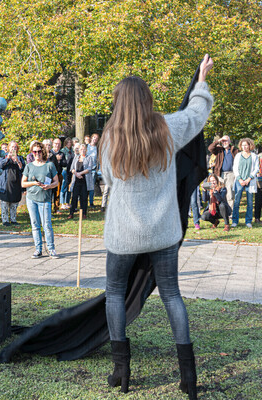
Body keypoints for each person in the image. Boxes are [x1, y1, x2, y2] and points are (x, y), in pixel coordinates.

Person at [100, 55, 213, 398]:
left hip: (123, 234)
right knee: (172, 296)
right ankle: (188, 377)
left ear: (119, 104)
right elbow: (196, 115)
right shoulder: (167, 128)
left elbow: (107, 180)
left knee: (115, 294)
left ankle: (121, 370)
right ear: (147, 100)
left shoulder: (109, 138)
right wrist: (201, 81)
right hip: (163, 232)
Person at [21, 141, 59, 259]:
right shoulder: (29, 166)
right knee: (35, 225)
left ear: (42, 152)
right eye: (34, 151)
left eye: (38, 151)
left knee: (47, 225)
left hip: (44, 199)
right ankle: (38, 249)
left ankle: (51, 248)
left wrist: (49, 186)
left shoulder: (49, 165)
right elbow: (23, 183)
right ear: (32, 153)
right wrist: (33, 183)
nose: (37, 153)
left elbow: (56, 182)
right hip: (31, 199)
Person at [0, 141, 25, 226]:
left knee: (14, 202)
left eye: (15, 147)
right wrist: (7, 158)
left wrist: (18, 161)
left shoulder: (20, 158)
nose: (13, 148)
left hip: (16, 184)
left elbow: (23, 169)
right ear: (9, 148)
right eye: (12, 147)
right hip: (5, 184)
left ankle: (13, 219)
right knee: (5, 202)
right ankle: (5, 220)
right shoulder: (3, 156)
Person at [231, 138, 258, 228]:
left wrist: (248, 179)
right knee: (237, 202)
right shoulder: (238, 155)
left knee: (250, 202)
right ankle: (235, 221)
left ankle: (248, 221)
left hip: (249, 181)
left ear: (250, 145)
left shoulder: (254, 156)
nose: (244, 147)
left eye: (246, 145)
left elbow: (256, 169)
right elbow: (235, 168)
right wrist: (240, 179)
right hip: (239, 181)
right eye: (242, 145)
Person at [208, 135, 238, 208]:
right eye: (223, 141)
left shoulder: (234, 150)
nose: (225, 142)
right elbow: (210, 148)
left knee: (230, 194)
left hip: (231, 174)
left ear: (230, 141)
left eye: (226, 140)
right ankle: (218, 210)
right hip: (220, 174)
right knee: (218, 191)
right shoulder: (219, 150)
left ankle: (230, 212)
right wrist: (219, 140)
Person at [68, 144, 95, 219]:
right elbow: (72, 168)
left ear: (86, 150)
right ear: (79, 150)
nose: (82, 151)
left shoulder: (89, 158)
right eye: (81, 149)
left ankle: (84, 213)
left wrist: (80, 173)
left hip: (85, 181)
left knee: (84, 198)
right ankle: (71, 213)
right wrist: (76, 174)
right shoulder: (76, 157)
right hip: (76, 181)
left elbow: (89, 169)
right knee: (74, 197)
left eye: (84, 149)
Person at [51, 138, 65, 213]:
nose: (57, 145)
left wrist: (60, 160)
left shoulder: (62, 153)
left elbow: (65, 163)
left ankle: (56, 208)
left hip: (58, 175)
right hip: (50, 176)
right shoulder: (50, 153)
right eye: (56, 143)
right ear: (53, 144)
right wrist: (55, 159)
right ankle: (49, 208)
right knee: (50, 192)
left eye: (59, 144)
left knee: (57, 192)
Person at [60, 138, 74, 209]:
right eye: (67, 142)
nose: (69, 144)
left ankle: (67, 202)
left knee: (69, 187)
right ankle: (62, 203)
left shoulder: (72, 150)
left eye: (70, 142)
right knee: (64, 186)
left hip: (71, 171)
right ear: (65, 143)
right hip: (65, 170)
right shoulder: (63, 151)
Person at [87, 133, 99, 208]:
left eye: (97, 138)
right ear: (91, 138)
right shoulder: (86, 146)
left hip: (93, 169)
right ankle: (83, 200)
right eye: (94, 137)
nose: (95, 139)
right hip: (85, 169)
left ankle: (91, 202)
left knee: (91, 187)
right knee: (85, 186)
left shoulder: (97, 148)